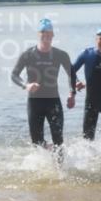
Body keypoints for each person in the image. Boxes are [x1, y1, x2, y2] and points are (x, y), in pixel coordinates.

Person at [11, 19, 76, 152]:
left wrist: (71, 93)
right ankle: (49, 150)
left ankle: (60, 170)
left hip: (53, 101)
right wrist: (26, 85)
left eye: (48, 33)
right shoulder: (28, 54)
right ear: (38, 34)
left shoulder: (61, 55)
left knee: (58, 140)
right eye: (42, 32)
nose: (45, 35)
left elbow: (72, 74)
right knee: (36, 142)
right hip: (34, 103)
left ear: (53, 35)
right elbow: (14, 75)